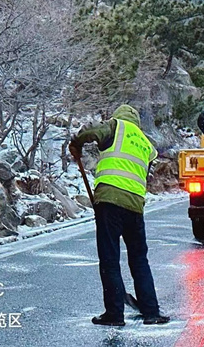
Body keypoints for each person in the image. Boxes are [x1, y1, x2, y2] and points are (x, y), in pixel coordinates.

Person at [68, 105, 170, 327]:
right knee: (139, 259)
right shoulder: (145, 143)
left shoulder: (116, 126)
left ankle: (114, 314)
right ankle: (151, 312)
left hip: (110, 202)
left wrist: (77, 142)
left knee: (110, 259)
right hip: (135, 205)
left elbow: (91, 131)